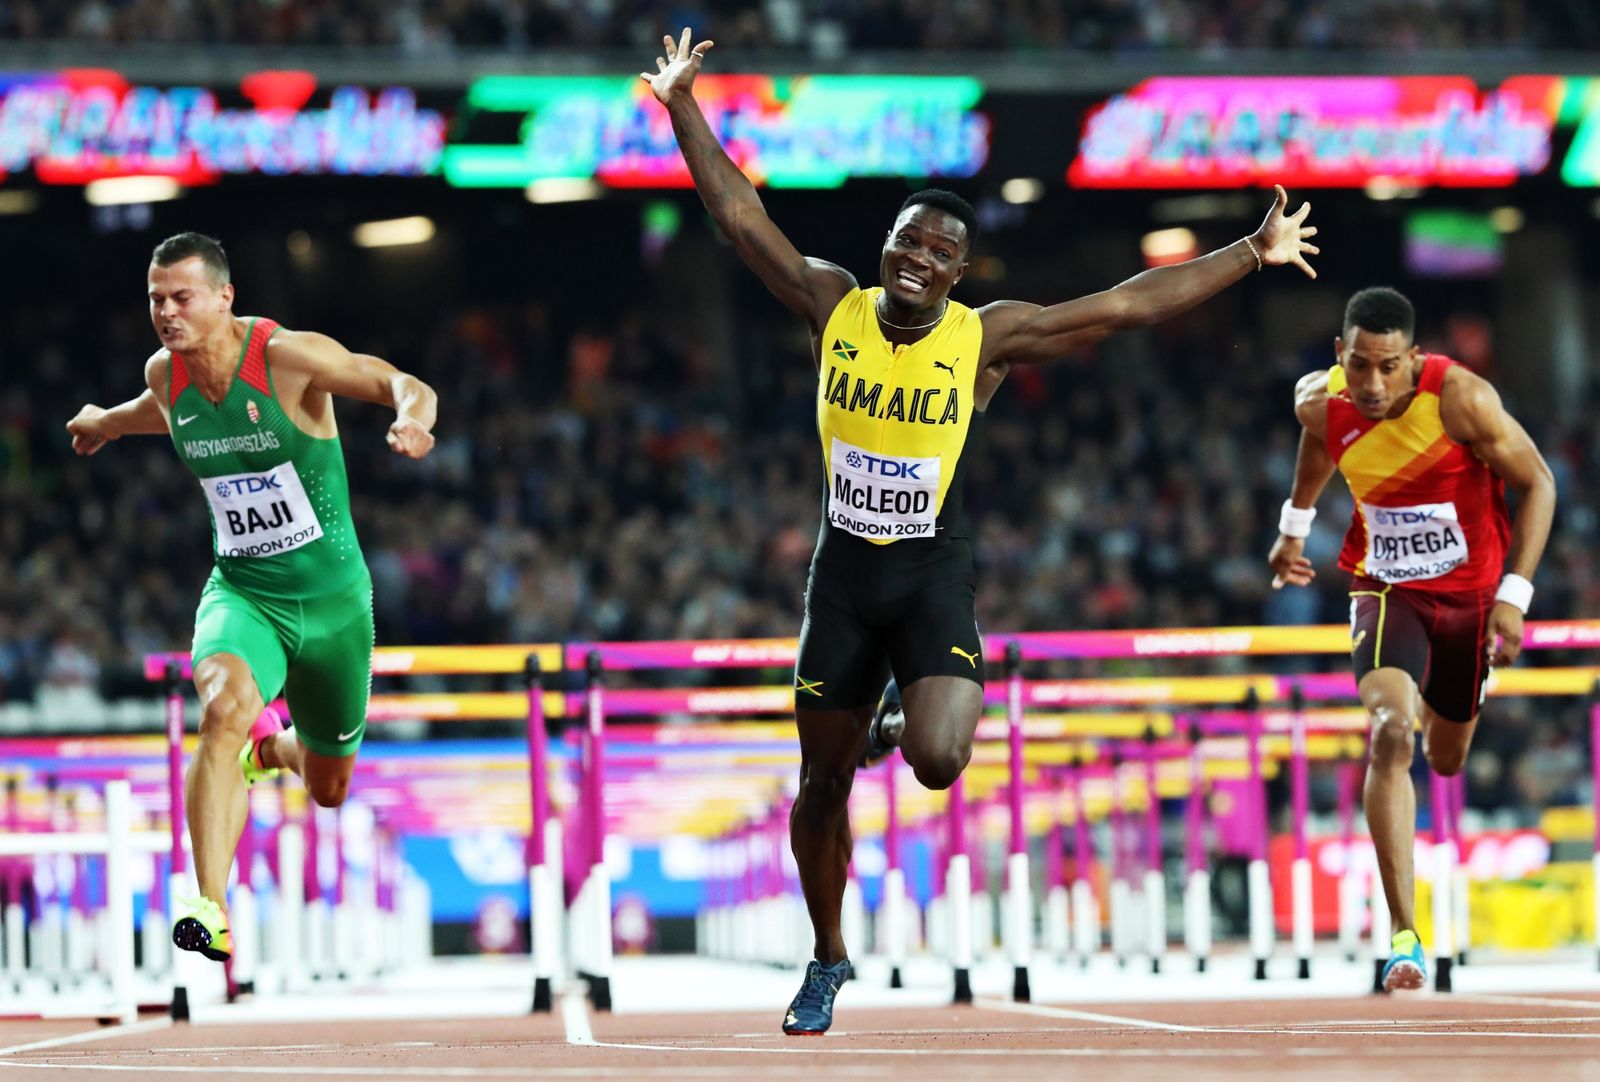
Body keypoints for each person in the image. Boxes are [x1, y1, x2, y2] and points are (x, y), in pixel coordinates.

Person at [643, 29, 1320, 1033]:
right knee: (818, 781)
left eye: (941, 251)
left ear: (960, 273)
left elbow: (1126, 306)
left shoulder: (983, 336)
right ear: (888, 247)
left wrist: (1246, 251)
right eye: (909, 240)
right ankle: (826, 956)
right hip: (841, 577)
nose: (919, 258)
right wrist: (680, 104)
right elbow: (740, 218)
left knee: (940, 756)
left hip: (930, 573)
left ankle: (895, 721)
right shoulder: (833, 302)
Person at [66, 233, 437, 962]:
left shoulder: (285, 357)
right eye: (155, 300)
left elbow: (393, 378)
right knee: (221, 709)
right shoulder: (167, 376)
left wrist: (412, 416)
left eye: (181, 298)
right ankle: (208, 907)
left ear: (225, 297)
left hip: (335, 608)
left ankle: (269, 751)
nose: (166, 313)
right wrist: (108, 422)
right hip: (243, 594)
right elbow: (157, 407)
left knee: (329, 789)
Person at [1268, 286, 1554, 991]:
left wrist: (1514, 600)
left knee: (1448, 759)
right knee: (1392, 732)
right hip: (1385, 587)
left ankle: (1457, 691)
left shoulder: (1463, 400)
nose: (1371, 384)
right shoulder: (1319, 399)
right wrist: (1294, 527)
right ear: (1340, 355)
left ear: (1414, 359)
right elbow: (1319, 440)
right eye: (1359, 365)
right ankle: (1404, 936)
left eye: (1388, 367)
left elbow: (1539, 483)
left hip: (1470, 600)